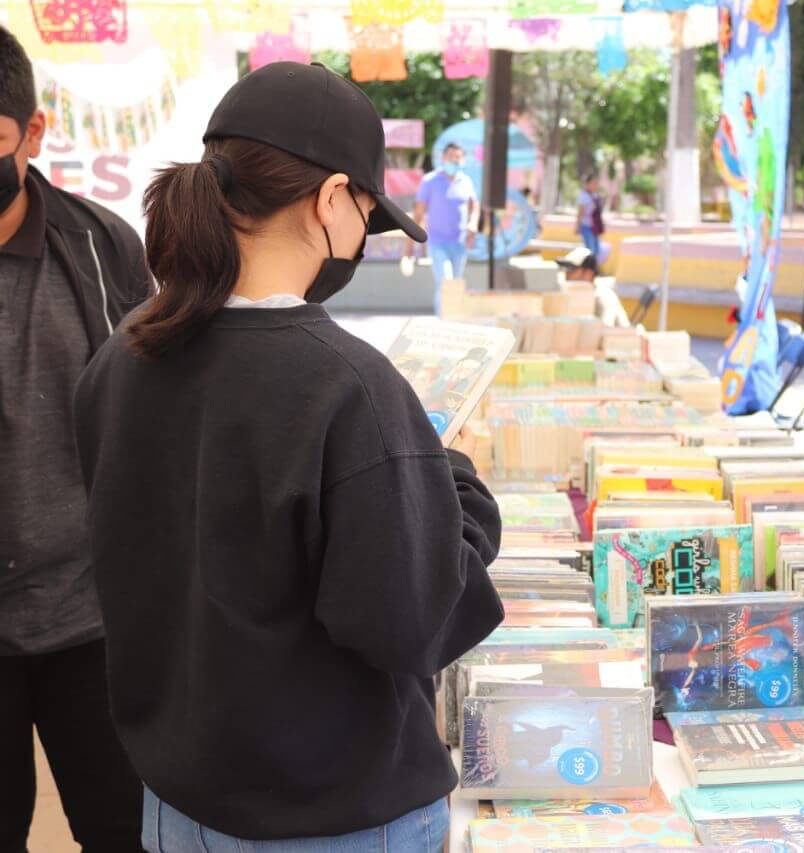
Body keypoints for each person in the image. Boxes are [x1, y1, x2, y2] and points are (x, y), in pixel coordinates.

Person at [72, 62, 504, 852]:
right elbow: (412, 621)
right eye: (368, 216)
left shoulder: (123, 355)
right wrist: (459, 485)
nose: (360, 240)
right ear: (333, 196)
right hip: (332, 815)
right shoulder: (348, 386)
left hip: (177, 801)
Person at [0, 26, 149, 852]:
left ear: (32, 131)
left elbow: (162, 403)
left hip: (92, 619)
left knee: (123, 829)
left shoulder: (99, 247)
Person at [412, 142, 478, 313]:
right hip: (437, 242)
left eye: (457, 157)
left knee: (455, 284)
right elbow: (418, 213)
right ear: (443, 158)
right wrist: (410, 244)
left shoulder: (466, 182)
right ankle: (443, 321)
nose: (454, 160)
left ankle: (453, 319)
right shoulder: (429, 181)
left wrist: (473, 224)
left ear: (462, 159)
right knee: (445, 282)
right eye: (450, 156)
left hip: (460, 243)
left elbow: (474, 206)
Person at [577, 173, 603, 259]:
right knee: (589, 250)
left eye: (596, 183)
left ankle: (593, 269)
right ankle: (588, 269)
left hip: (594, 227)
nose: (595, 185)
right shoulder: (584, 196)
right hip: (586, 226)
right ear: (587, 184)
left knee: (596, 250)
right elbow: (581, 212)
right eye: (593, 183)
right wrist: (578, 226)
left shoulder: (595, 195)